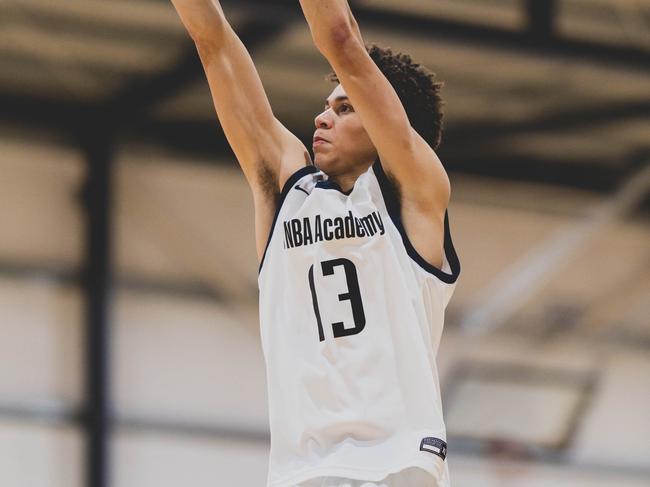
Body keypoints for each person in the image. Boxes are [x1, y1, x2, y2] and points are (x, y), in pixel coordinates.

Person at [170, 1, 460, 486]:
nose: (322, 118)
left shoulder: (414, 193)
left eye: (345, 108)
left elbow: (341, 39)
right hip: (303, 472)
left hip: (398, 463)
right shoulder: (287, 190)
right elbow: (212, 40)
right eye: (327, 105)